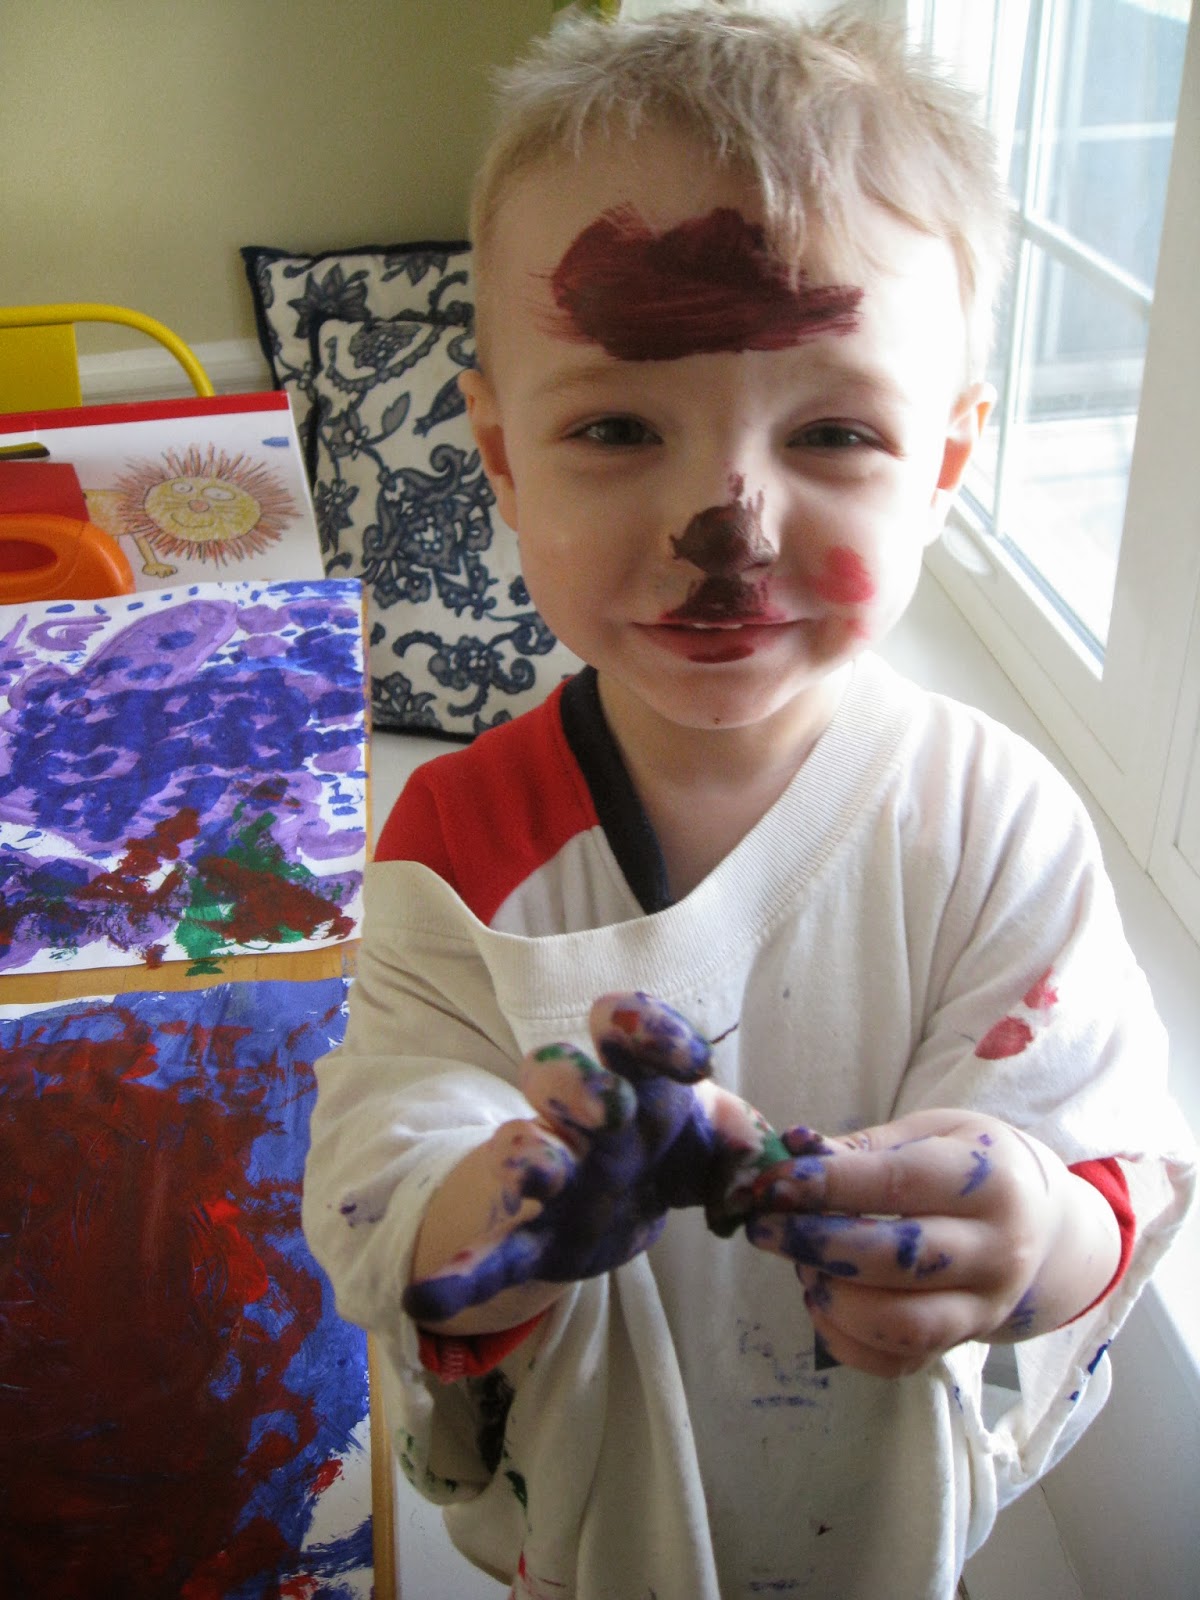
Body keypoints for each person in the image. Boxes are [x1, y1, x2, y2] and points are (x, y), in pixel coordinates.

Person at [302, 8, 1194, 1598]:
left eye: (836, 432)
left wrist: (1032, 1239)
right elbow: (377, 1180)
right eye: (615, 428)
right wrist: (509, 1204)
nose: (729, 525)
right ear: (501, 458)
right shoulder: (458, 846)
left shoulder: (992, 828)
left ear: (945, 466)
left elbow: (1111, 1163)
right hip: (587, 1529)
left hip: (884, 1529)